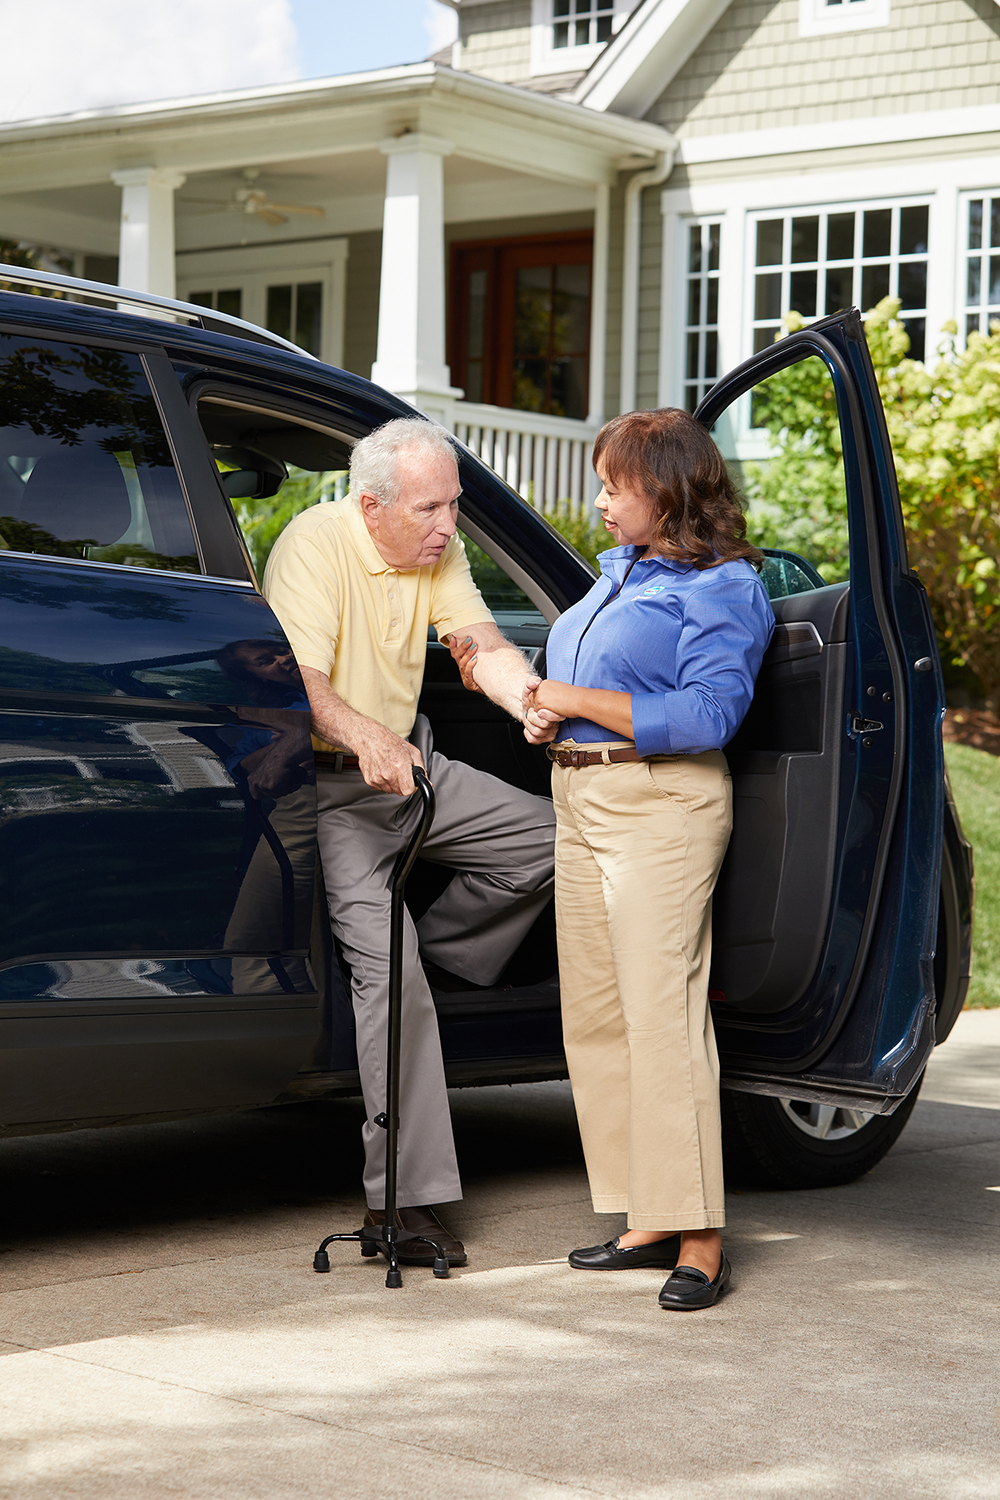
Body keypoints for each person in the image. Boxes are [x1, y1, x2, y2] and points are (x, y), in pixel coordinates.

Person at [262, 418, 556, 1266]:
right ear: (371, 505)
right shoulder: (316, 547)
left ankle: (444, 955)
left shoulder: (433, 547)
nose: (447, 525)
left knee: (549, 842)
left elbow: (478, 645)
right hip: (335, 786)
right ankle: (409, 1199)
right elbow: (303, 686)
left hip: (414, 765)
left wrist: (528, 698)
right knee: (393, 981)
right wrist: (365, 739)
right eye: (430, 507)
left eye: (454, 505)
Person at [519, 407, 773, 1310]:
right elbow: (588, 680)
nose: (599, 502)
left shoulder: (725, 589)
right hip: (580, 794)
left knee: (663, 1017)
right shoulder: (621, 573)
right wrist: (546, 709)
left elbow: (709, 715)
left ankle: (699, 1237)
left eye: (613, 486)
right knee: (596, 1014)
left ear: (663, 491)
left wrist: (571, 692)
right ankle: (644, 1214)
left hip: (661, 803)